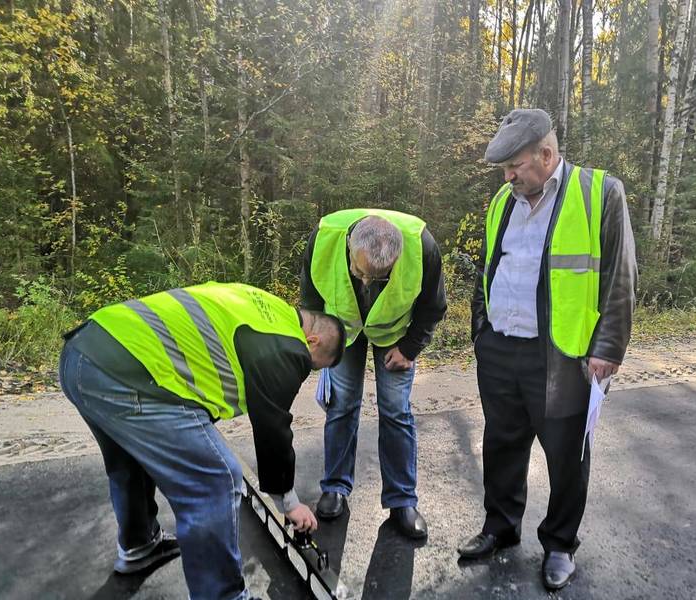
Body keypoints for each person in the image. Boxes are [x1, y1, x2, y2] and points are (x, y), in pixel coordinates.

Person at [58, 282, 344, 600]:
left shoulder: (268, 306)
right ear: (312, 341)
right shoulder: (289, 346)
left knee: (129, 458)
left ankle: (140, 545)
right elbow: (273, 426)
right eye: (314, 364)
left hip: (84, 353)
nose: (306, 370)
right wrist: (289, 503)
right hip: (131, 372)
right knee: (216, 479)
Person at [458, 109, 637, 590]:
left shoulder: (600, 192)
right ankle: (500, 527)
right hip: (500, 350)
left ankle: (559, 544)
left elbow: (620, 278)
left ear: (547, 154)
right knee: (501, 444)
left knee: (566, 456)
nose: (509, 176)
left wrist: (608, 349)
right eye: (504, 169)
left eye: (515, 165)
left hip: (562, 356)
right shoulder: (504, 199)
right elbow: (486, 268)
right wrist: (482, 331)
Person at [300, 209, 447, 539]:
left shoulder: (421, 245)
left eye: (377, 278)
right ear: (350, 246)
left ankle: (402, 500)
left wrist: (410, 348)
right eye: (360, 272)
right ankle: (335, 487)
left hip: (395, 335)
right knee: (341, 406)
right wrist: (318, 343)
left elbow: (433, 307)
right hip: (341, 330)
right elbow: (310, 298)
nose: (366, 282)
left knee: (396, 411)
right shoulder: (324, 237)